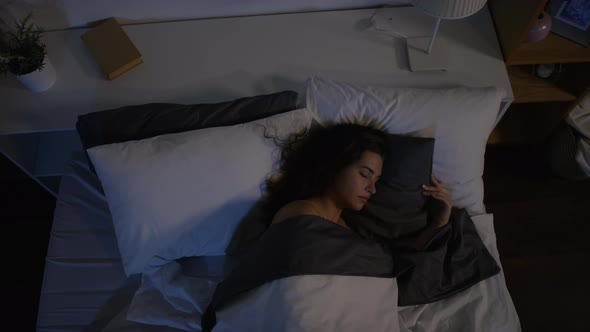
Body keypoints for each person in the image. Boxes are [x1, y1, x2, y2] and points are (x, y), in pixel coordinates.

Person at [265, 122, 453, 249]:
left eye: (376, 180)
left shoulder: (347, 225)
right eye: (364, 174)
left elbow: (396, 260)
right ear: (334, 165)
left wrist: (438, 223)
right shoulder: (301, 212)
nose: (372, 189)